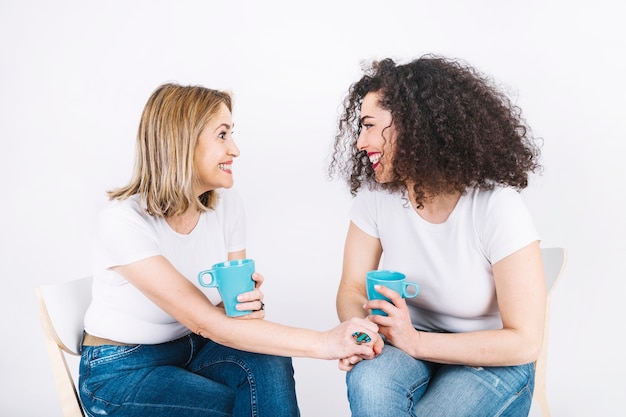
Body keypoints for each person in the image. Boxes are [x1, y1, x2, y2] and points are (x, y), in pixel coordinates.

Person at [79, 82, 382, 417]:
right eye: (222, 135)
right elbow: (205, 322)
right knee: (236, 406)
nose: (235, 149)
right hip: (122, 370)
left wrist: (240, 305)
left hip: (197, 349)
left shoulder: (227, 207)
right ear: (182, 141)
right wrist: (326, 342)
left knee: (268, 361)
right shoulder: (121, 222)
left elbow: (224, 317)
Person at [328, 54, 545, 416]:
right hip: (404, 342)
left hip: (491, 359)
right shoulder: (376, 198)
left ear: (413, 126)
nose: (360, 142)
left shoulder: (496, 207)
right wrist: (367, 333)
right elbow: (350, 288)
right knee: (369, 382)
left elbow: (524, 342)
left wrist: (416, 342)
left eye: (369, 125)